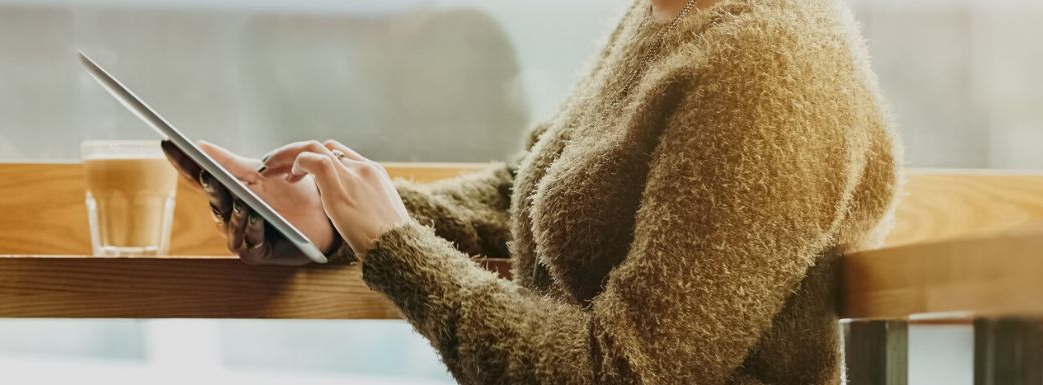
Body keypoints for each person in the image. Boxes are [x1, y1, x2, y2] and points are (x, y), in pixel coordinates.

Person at [162, 0, 903, 383]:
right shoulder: (671, 16)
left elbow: (623, 372)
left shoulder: (772, 69)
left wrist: (394, 243)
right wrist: (335, 207)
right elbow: (540, 184)